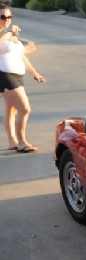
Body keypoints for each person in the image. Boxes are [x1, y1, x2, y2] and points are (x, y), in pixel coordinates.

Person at [0, 2, 45, 153]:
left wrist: (34, 73)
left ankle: (13, 142)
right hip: (4, 76)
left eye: (9, 16)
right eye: (2, 17)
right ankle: (22, 142)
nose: (6, 19)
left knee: (11, 110)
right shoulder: (4, 34)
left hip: (17, 75)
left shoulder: (10, 34)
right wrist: (9, 33)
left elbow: (21, 56)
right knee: (24, 109)